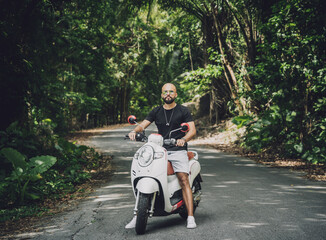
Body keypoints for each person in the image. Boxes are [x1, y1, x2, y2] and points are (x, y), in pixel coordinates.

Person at [125, 83, 197, 229]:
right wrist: (134, 131)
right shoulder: (156, 111)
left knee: (183, 179)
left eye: (171, 91)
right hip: (159, 150)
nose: (168, 94)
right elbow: (142, 125)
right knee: (145, 173)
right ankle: (138, 215)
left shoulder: (183, 110)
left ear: (176, 94)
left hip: (178, 149)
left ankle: (190, 217)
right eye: (165, 92)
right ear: (162, 95)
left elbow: (192, 130)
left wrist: (183, 140)